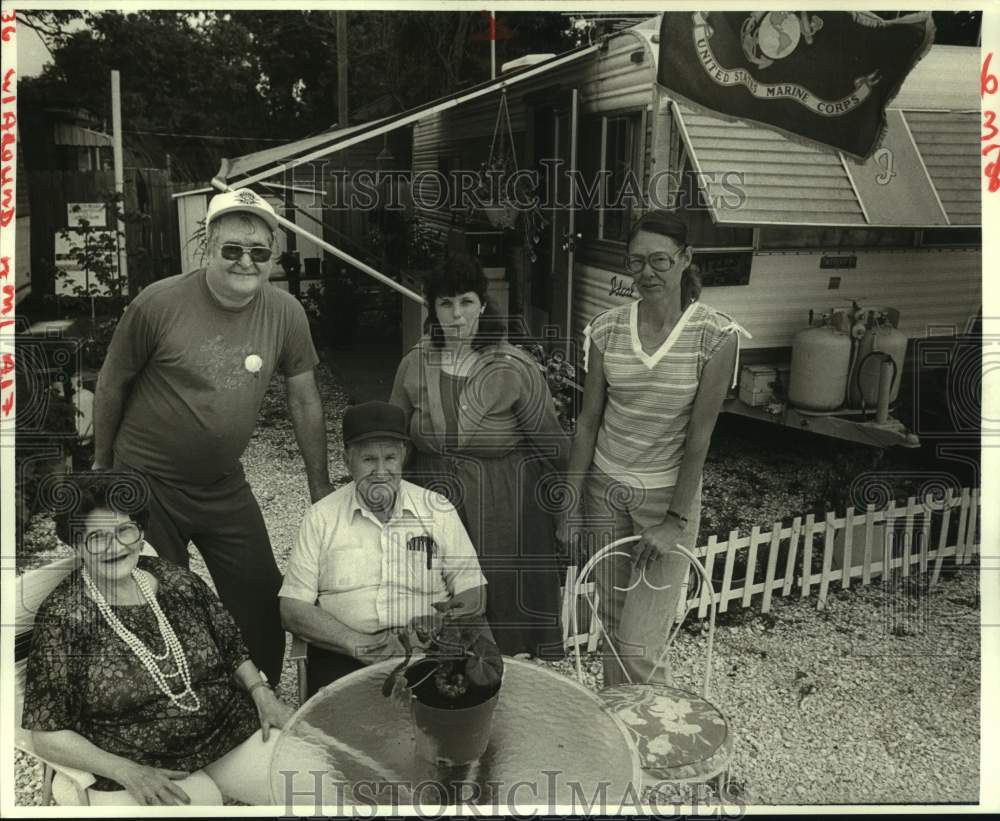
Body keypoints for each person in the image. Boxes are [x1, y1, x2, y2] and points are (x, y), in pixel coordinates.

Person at [93, 188, 334, 684]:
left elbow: (305, 400)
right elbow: (111, 382)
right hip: (147, 483)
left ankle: (257, 703)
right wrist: (102, 468)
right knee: (159, 600)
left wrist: (319, 487)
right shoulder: (157, 304)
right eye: (232, 249)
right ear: (207, 247)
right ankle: (175, 707)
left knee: (261, 597)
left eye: (259, 252)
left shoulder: (286, 313)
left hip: (222, 484)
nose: (246, 261)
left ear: (273, 257)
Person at [21, 472, 294, 806]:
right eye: (97, 538)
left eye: (125, 530)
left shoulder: (176, 579)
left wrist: (262, 694)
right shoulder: (64, 618)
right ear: (76, 544)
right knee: (202, 803)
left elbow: (231, 646)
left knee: (313, 779)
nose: (115, 546)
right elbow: (47, 735)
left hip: (224, 730)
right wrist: (126, 771)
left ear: (139, 533)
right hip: (137, 760)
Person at [561, 209, 748, 687]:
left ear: (685, 259)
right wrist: (570, 507)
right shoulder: (605, 329)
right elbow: (587, 423)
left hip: (666, 502)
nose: (647, 272)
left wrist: (674, 522)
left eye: (660, 261)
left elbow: (699, 439)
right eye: (637, 261)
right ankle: (618, 740)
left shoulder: (715, 336)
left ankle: (655, 750)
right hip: (605, 492)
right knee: (609, 626)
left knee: (640, 642)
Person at [390, 255, 571, 658]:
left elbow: (553, 445)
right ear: (432, 309)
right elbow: (394, 438)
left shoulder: (513, 368)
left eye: (466, 302)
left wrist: (564, 508)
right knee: (435, 594)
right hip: (431, 499)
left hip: (501, 505)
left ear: (483, 305)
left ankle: (506, 680)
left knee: (500, 598)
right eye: (445, 303)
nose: (456, 315)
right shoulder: (414, 366)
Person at [279, 401, 490, 696]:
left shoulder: (438, 509)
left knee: (448, 726)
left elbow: (473, 591)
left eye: (390, 457)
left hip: (429, 650)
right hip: (346, 653)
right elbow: (291, 608)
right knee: (347, 736)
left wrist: (436, 626)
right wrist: (356, 643)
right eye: (368, 459)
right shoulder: (321, 518)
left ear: (403, 456)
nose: (381, 471)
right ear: (347, 459)